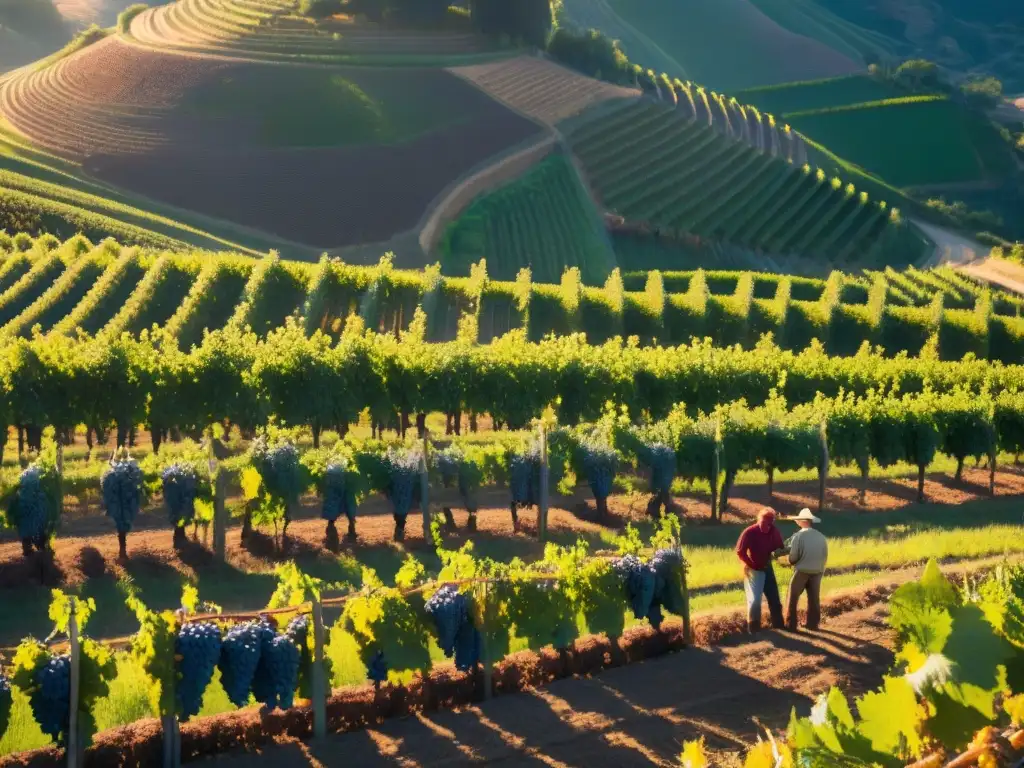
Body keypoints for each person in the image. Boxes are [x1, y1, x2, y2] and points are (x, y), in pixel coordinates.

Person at [735, 508, 786, 632]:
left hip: (767, 567)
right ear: (759, 520)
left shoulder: (774, 532)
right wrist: (752, 564)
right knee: (755, 601)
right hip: (753, 569)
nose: (767, 526)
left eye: (770, 523)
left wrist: (781, 554)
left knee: (774, 599)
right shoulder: (749, 532)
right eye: (765, 522)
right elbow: (740, 552)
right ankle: (753, 629)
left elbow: (780, 548)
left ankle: (779, 626)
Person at [783, 508, 829, 631]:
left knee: (792, 597)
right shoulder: (821, 536)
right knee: (814, 598)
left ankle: (790, 624)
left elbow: (793, 557)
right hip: (817, 571)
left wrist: (788, 562)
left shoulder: (799, 536)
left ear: (801, 521)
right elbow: (825, 555)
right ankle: (813, 624)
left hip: (802, 571)